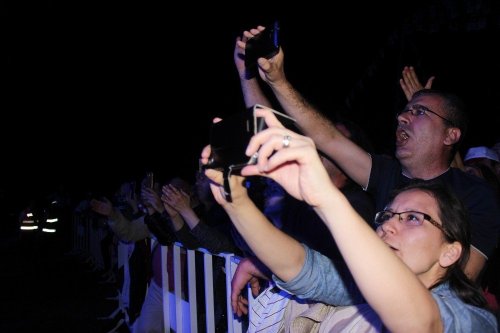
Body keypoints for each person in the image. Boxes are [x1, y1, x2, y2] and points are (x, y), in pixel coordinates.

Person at [233, 26, 500, 280]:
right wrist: (278, 81)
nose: (402, 118)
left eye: (418, 112)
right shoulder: (387, 173)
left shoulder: (476, 196)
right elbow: (327, 138)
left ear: (450, 135)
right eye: (405, 111)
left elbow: (462, 283)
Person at [201, 107, 497, 332]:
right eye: (387, 216)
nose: (389, 225)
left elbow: (423, 322)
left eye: (413, 218)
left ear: (450, 251)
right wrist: (234, 201)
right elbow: (299, 265)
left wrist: (325, 198)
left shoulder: (476, 320)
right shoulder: (360, 287)